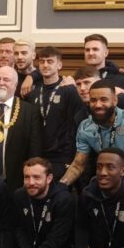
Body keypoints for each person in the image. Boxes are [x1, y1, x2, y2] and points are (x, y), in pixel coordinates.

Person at [60, 81, 124, 189]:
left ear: (115, 100)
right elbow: (78, 165)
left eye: (104, 99)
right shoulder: (85, 126)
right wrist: (60, 186)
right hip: (106, 186)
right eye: (93, 100)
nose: (98, 105)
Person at [26, 46, 85, 181]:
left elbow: (76, 125)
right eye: (42, 61)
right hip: (39, 155)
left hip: (62, 156)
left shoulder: (69, 90)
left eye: (50, 61)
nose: (45, 65)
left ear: (59, 65)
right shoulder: (34, 93)